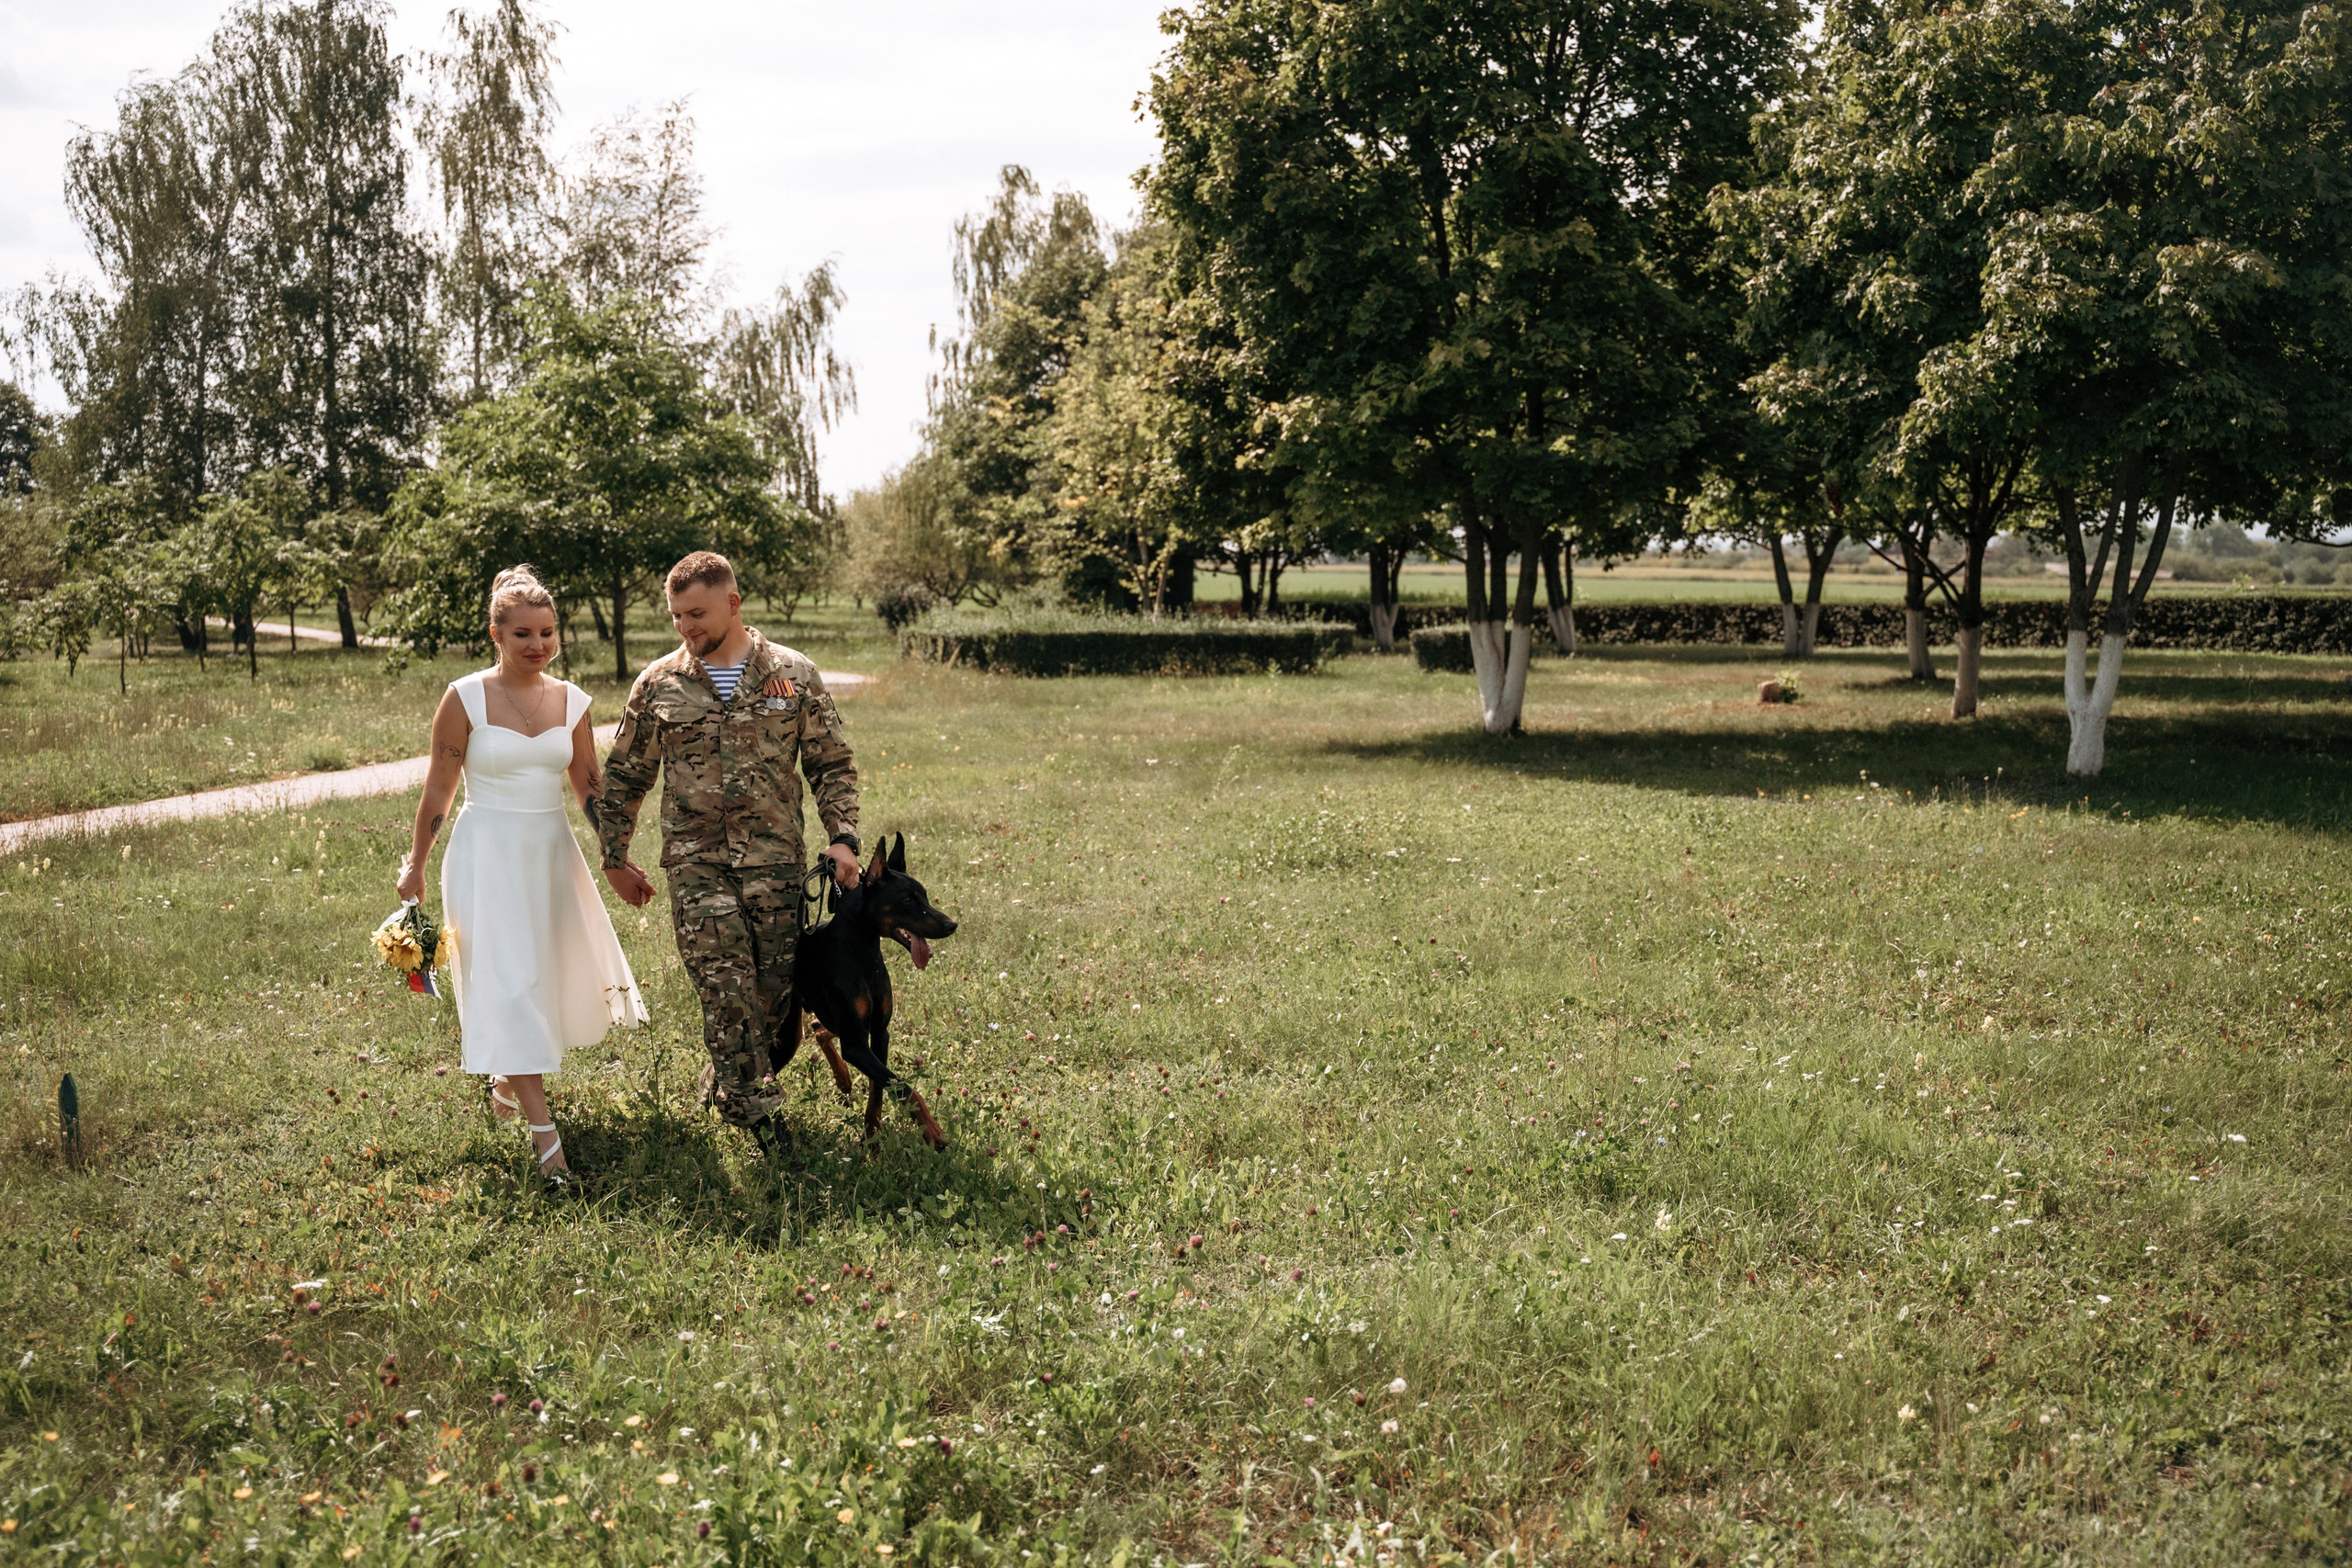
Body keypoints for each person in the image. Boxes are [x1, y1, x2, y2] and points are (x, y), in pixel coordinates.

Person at [595, 550, 861, 1160]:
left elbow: (831, 762)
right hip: (696, 866)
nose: (686, 626)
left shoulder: (792, 675)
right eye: (676, 616)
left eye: (697, 612)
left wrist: (843, 835)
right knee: (727, 990)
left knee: (773, 1002)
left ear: (733, 604)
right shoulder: (658, 683)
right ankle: (766, 1127)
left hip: (776, 865)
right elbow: (627, 774)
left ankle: (726, 1084)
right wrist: (615, 854)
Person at [396, 566, 648, 1180]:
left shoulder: (572, 700)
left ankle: (507, 1078)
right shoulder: (465, 698)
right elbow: (439, 789)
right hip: (486, 855)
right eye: (523, 634)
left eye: (547, 632)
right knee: (508, 981)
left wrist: (614, 857)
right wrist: (416, 866)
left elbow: (588, 784)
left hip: (549, 853)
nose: (538, 645)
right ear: (495, 634)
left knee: (538, 977)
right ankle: (549, 1149)